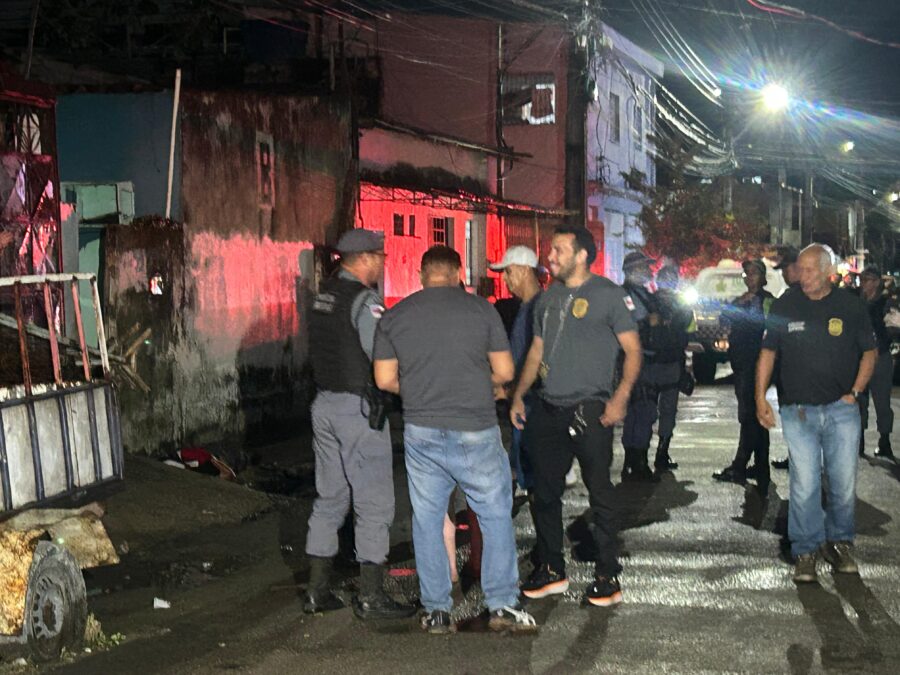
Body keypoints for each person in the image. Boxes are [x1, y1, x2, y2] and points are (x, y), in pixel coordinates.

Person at [373, 245, 537, 635]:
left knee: (428, 520)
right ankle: (502, 604)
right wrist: (475, 385)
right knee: (494, 515)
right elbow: (504, 371)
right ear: (459, 273)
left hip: (422, 431)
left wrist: (421, 391)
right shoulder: (481, 310)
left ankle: (437, 611)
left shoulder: (395, 316)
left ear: (421, 274)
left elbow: (384, 379)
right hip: (475, 428)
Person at [511, 226, 641, 607]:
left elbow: (633, 351)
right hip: (548, 408)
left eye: (559, 250)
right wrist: (519, 394)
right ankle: (552, 568)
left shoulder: (608, 295)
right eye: (551, 249)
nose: (550, 256)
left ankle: (607, 576)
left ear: (582, 255)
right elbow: (536, 351)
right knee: (544, 493)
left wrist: (620, 398)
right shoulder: (547, 299)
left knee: (599, 492)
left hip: (590, 409)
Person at [303, 228, 416, 620]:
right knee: (374, 502)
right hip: (357, 410)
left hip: (324, 404)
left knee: (330, 498)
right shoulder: (365, 301)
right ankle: (371, 596)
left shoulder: (323, 296)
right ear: (365, 258)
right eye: (380, 257)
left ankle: (317, 592)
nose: (383, 263)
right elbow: (380, 356)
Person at [756, 244, 877, 583]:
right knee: (805, 484)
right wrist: (760, 398)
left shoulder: (850, 306)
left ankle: (839, 543)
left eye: (810, 270)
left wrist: (855, 392)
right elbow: (768, 352)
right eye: (800, 269)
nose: (802, 275)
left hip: (842, 410)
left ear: (828, 272)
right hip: (798, 411)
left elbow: (869, 353)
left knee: (842, 483)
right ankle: (805, 550)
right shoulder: (786, 304)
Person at [713, 260, 775, 494]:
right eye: (746, 273)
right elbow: (723, 319)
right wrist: (739, 304)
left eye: (754, 273)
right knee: (753, 416)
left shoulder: (767, 301)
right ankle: (760, 466)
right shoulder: (741, 300)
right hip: (741, 363)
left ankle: (740, 465)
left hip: (756, 364)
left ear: (763, 276)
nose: (749, 277)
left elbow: (767, 326)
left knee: (749, 415)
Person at [489, 245, 543, 493]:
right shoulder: (526, 308)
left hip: (533, 407)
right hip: (524, 404)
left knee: (536, 476)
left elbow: (536, 364)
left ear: (523, 271)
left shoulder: (538, 310)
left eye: (508, 272)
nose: (505, 279)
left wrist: (510, 392)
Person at [653, 264, 694, 472]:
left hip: (650, 362)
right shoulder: (682, 304)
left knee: (646, 409)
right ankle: (662, 452)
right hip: (670, 362)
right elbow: (690, 332)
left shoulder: (649, 301)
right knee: (667, 410)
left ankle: (639, 456)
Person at [858, 265, 895, 459]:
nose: (865, 284)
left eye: (869, 280)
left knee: (882, 401)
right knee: (859, 400)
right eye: (863, 279)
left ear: (877, 282)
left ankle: (884, 440)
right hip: (861, 357)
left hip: (880, 356)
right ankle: (859, 439)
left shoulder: (885, 303)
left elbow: (891, 327)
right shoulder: (859, 302)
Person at [771, 246, 800, 471]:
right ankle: (796, 456)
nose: (783, 274)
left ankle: (799, 458)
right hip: (790, 368)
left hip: (795, 370)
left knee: (795, 416)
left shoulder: (795, 298)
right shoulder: (794, 296)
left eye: (786, 269)